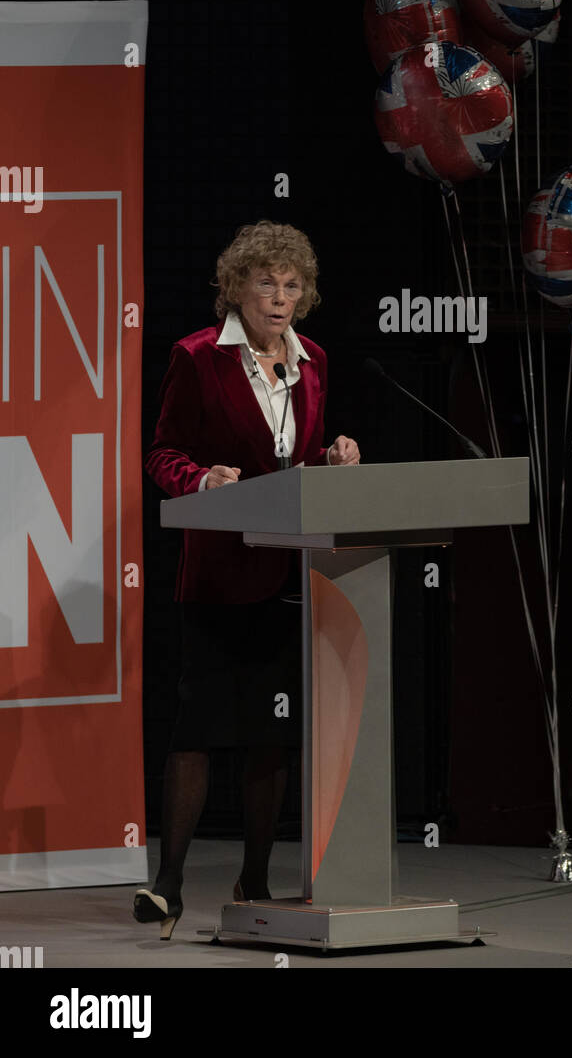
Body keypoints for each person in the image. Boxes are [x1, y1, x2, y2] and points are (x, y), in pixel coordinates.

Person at [133, 220, 360, 939]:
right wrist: (201, 478)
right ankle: (168, 884)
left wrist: (331, 459)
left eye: (292, 285)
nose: (279, 296)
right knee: (197, 729)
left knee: (272, 733)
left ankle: (256, 880)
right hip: (215, 570)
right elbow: (162, 451)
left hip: (287, 570)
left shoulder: (313, 360)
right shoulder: (198, 357)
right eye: (266, 282)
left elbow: (293, 456)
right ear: (237, 286)